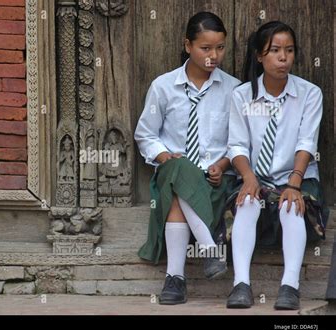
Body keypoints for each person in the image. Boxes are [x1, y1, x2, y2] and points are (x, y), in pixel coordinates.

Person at [134, 12, 240, 305]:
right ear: (188, 45)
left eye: (219, 47)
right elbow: (145, 135)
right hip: (171, 170)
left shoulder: (234, 90)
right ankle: (209, 249)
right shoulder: (164, 86)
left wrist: (223, 164)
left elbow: (239, 142)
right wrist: (165, 155)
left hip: (213, 180)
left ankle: (175, 278)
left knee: (180, 190)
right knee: (179, 169)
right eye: (205, 48)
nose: (214, 55)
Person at [226, 21, 329, 310]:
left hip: (295, 175)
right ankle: (241, 284)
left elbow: (306, 142)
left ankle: (290, 286)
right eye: (274, 50)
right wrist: (248, 177)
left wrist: (294, 184)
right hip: (255, 175)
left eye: (289, 50)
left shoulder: (309, 94)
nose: (283, 57)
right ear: (259, 55)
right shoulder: (242, 95)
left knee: (291, 205)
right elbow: (236, 145)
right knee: (246, 202)